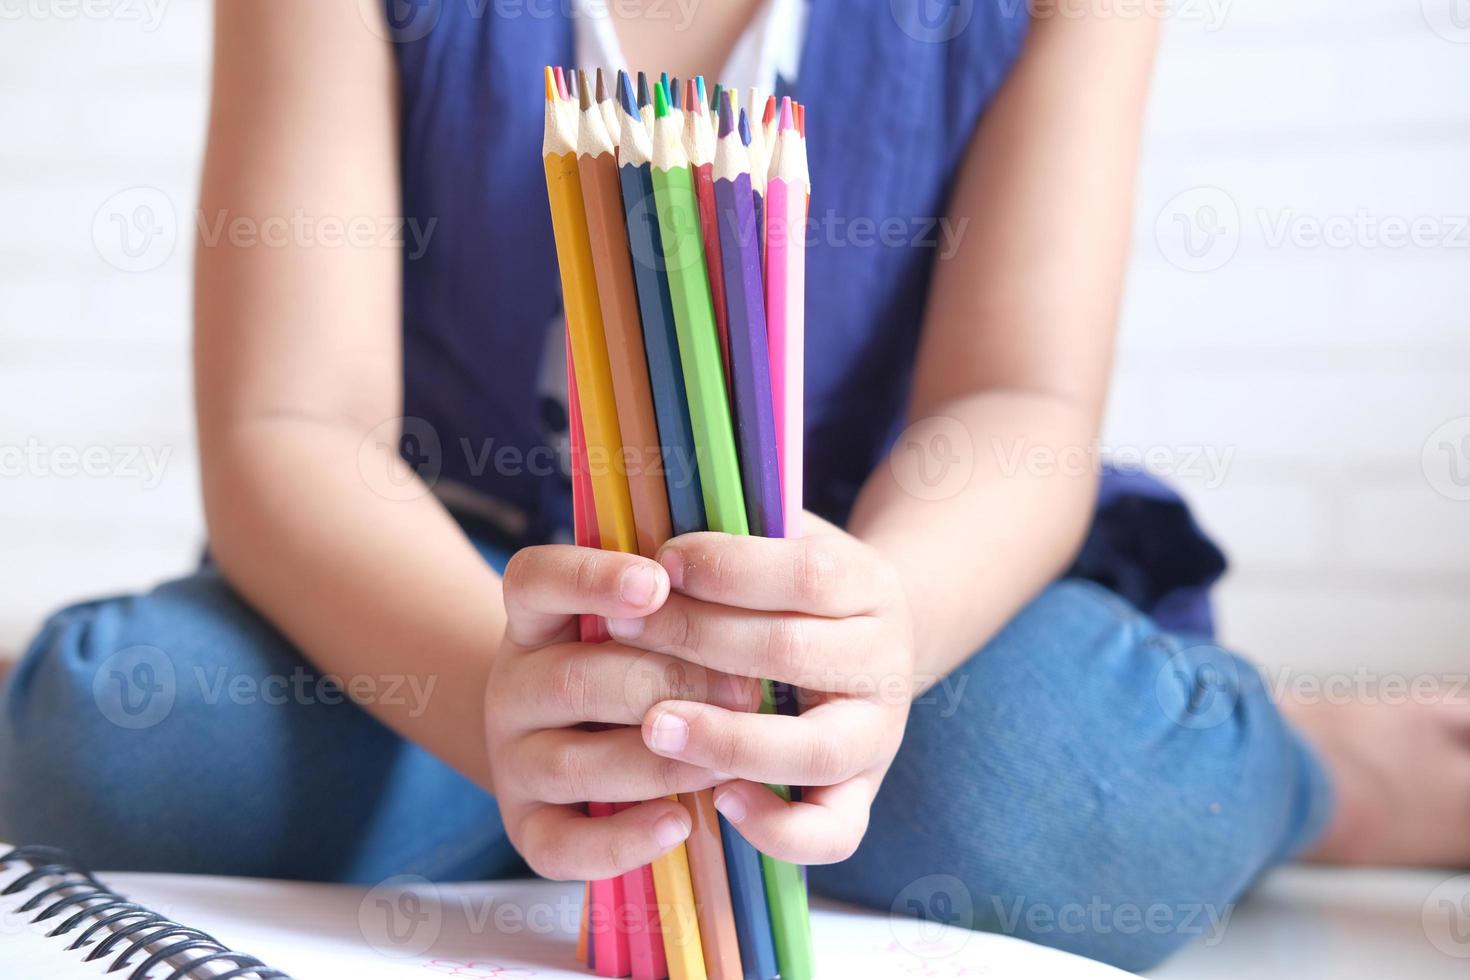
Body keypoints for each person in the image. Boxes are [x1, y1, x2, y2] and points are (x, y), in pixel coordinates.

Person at [3, 1, 1466, 971]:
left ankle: (1316, 774)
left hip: (897, 603)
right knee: (120, 737)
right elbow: (288, 426)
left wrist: (865, 654)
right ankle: (577, 807)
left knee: (1051, 798)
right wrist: (501, 704)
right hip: (453, 598)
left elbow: (1013, 408)